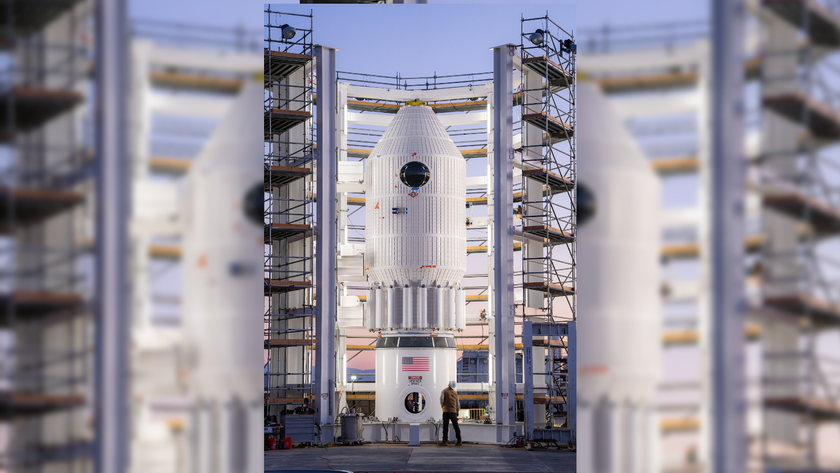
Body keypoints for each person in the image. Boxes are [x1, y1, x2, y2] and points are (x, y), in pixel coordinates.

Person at [439, 380, 462, 446]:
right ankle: (459, 440)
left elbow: (441, 400)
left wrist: (443, 406)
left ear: (448, 384)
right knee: (456, 427)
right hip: (453, 412)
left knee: (445, 427)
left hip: (446, 411)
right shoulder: (455, 393)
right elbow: (458, 403)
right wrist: (457, 411)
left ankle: (444, 441)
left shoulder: (444, 391)